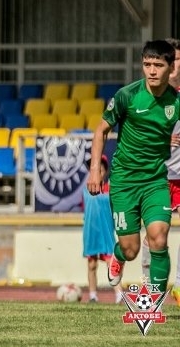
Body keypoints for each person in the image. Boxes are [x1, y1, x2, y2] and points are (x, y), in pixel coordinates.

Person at [87, 39, 180, 296]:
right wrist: (94, 170)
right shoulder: (127, 95)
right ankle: (118, 255)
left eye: (158, 65)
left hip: (156, 182)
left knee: (159, 237)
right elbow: (100, 130)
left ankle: (153, 302)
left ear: (171, 68)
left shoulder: (176, 102)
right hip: (124, 183)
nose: (152, 71)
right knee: (131, 249)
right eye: (147, 64)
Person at [141, 36, 180, 305]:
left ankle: (178, 285)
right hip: (158, 175)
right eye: (174, 59)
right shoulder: (147, 95)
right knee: (156, 236)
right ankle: (150, 291)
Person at [81, 155, 123, 303]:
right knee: (92, 264)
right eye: (94, 168)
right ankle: (93, 295)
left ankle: (119, 294)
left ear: (105, 171)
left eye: (100, 168)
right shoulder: (86, 190)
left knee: (111, 264)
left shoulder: (111, 190)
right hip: (91, 232)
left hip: (106, 231)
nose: (97, 171)